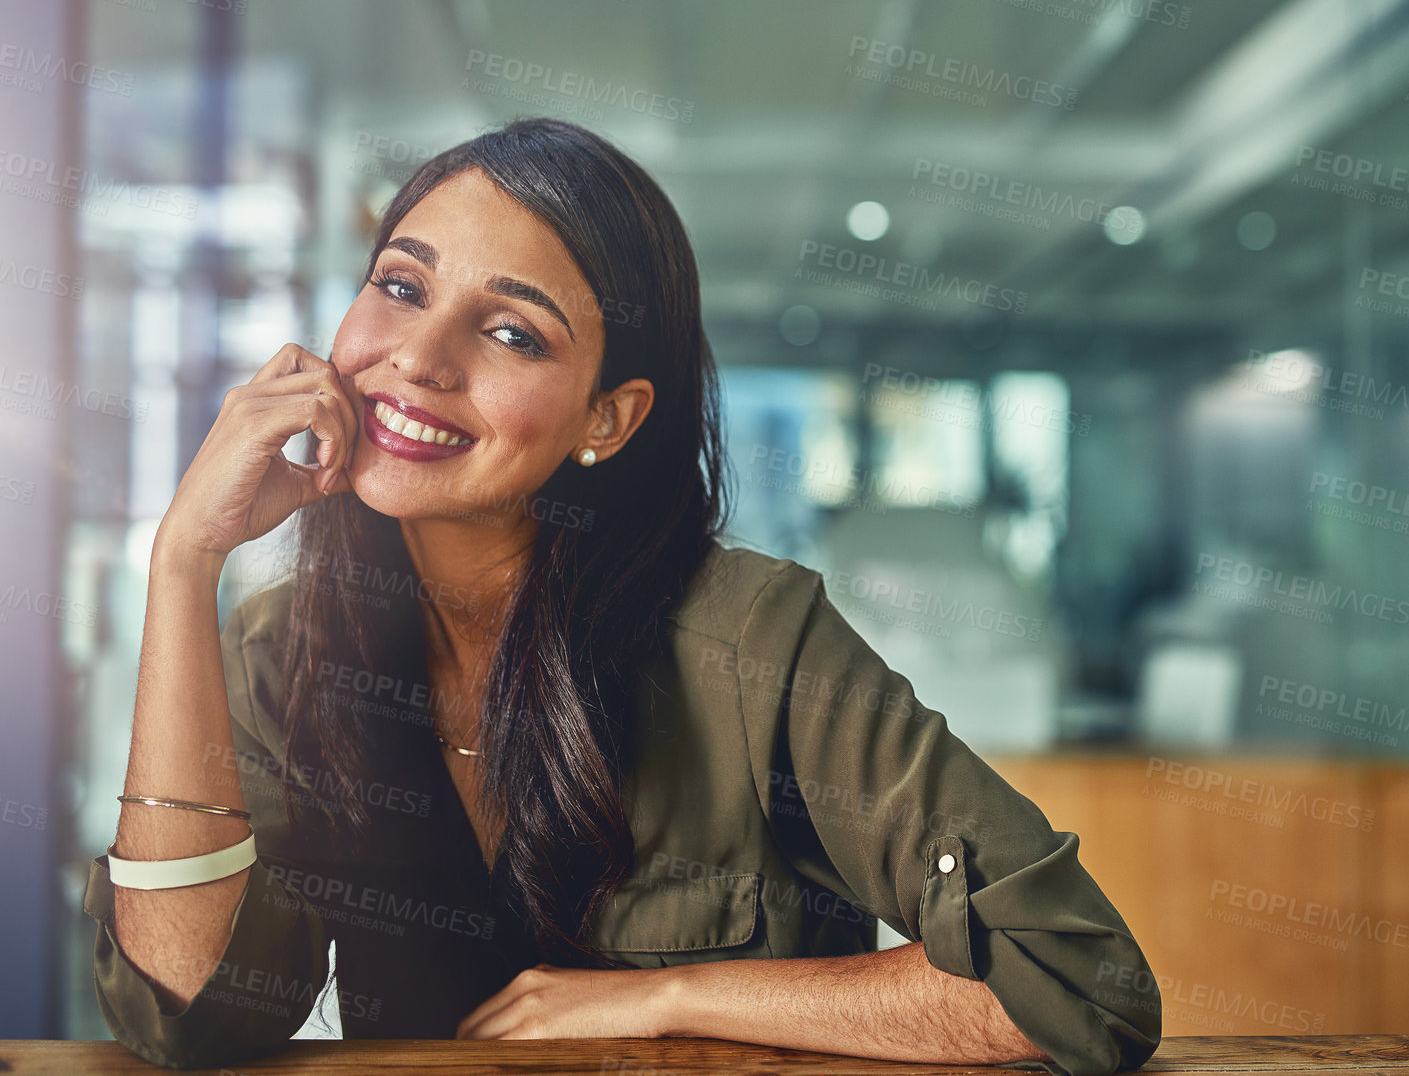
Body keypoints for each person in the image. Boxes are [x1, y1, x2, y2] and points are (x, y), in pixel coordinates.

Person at [82, 117, 1162, 1076]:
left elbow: (1079, 986)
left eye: (513, 331)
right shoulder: (286, 645)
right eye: (402, 287)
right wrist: (184, 560)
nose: (418, 356)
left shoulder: (751, 639)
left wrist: (663, 999)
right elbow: (185, 1015)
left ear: (609, 417)